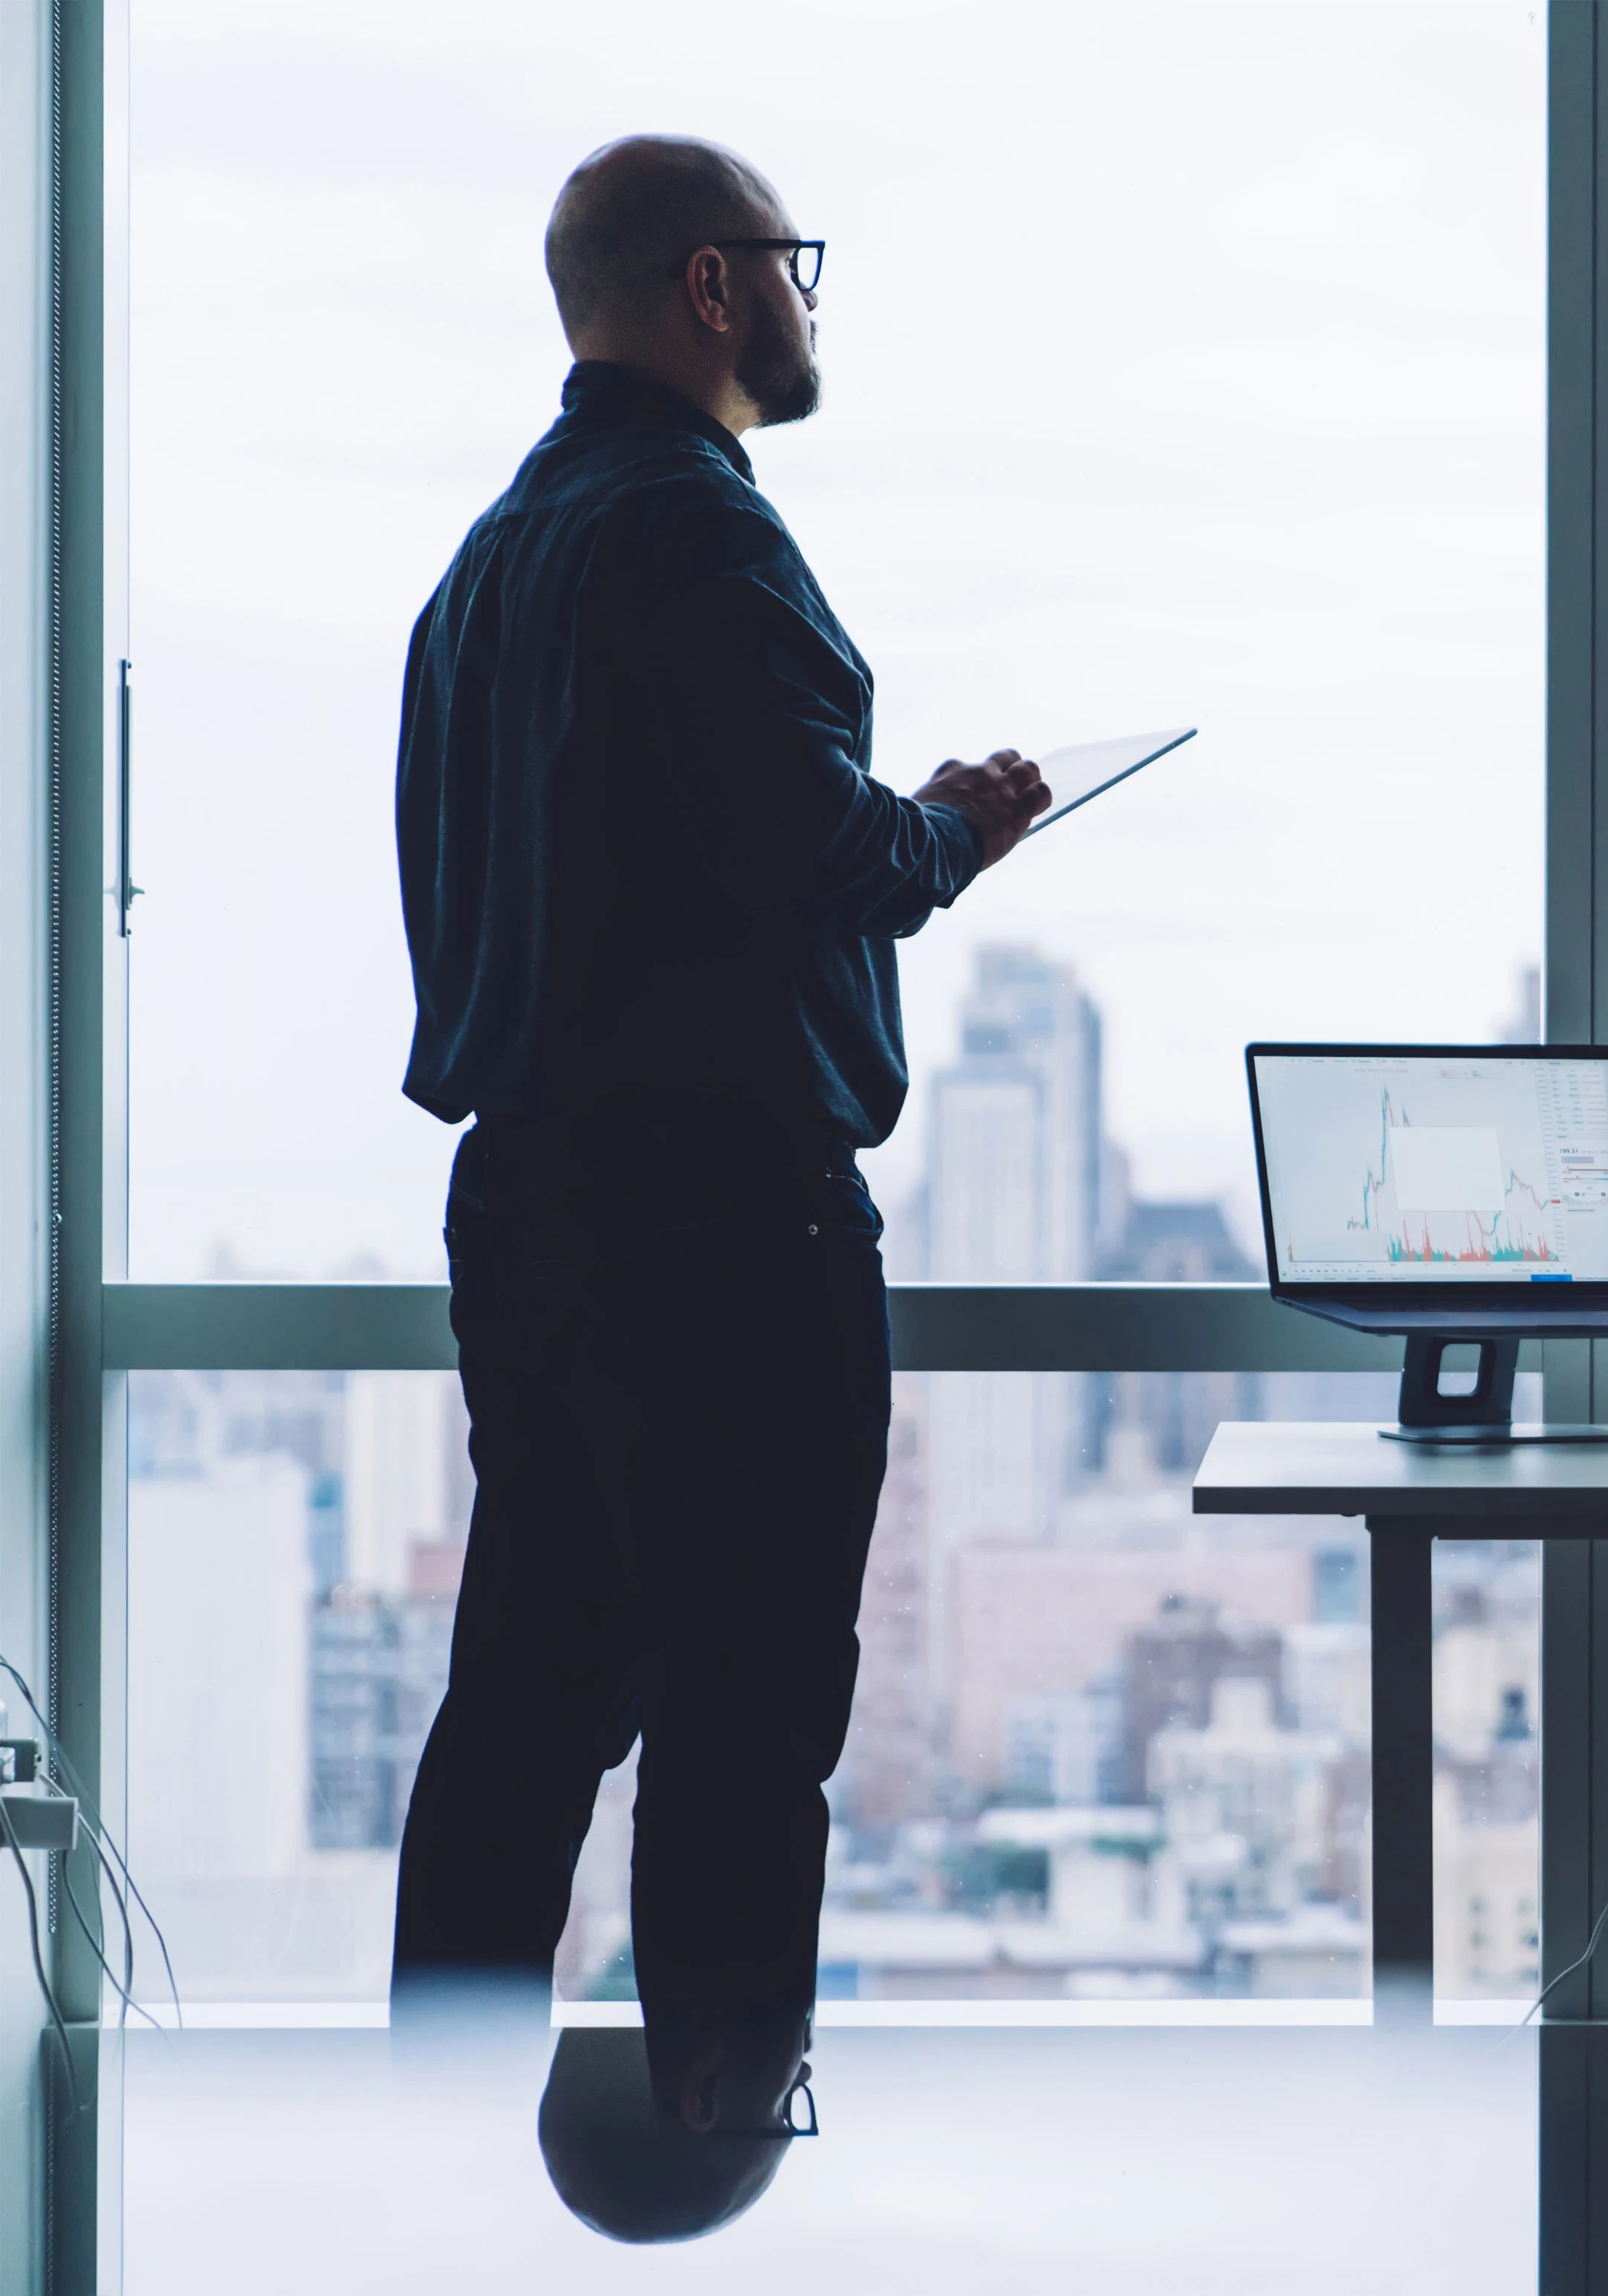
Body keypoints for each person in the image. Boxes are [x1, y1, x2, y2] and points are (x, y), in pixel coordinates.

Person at [387, 131, 1047, 2211]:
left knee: (526, 1703)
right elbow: (808, 848)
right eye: (788, 259)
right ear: (707, 284)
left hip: (535, 1208)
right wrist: (950, 828)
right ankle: (720, 2168)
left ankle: (417, 2158)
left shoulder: (492, 561)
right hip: (727, 1225)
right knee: (747, 1724)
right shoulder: (696, 530)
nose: (804, 296)